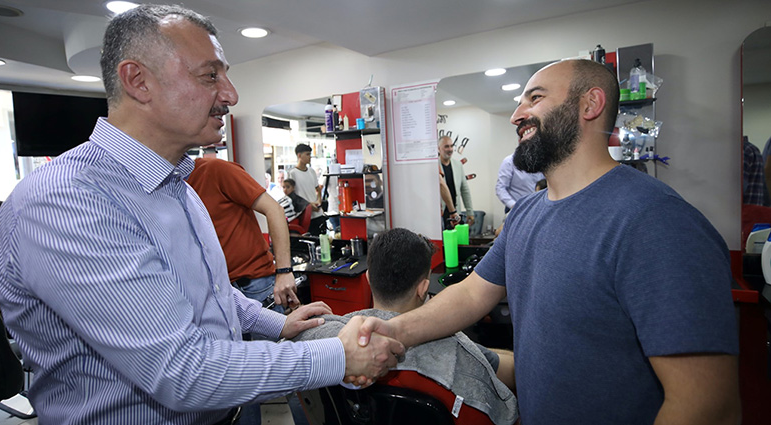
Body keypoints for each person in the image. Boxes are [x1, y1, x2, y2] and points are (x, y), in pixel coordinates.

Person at [0, 5, 403, 424]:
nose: (231, 95)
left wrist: (276, 324)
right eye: (210, 76)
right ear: (138, 81)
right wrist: (338, 356)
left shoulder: (179, 189)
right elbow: (182, 371)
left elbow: (210, 294)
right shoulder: (67, 202)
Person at [356, 59, 740, 424]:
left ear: (590, 104)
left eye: (535, 98)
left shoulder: (656, 220)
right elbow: (472, 294)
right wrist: (393, 331)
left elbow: (707, 407)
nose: (516, 115)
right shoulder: (525, 214)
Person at [293, 228, 518, 424]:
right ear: (423, 288)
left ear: (369, 278)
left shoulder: (328, 341)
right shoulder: (456, 349)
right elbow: (510, 377)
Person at [187, 157, 300, 310]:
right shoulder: (169, 190)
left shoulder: (214, 169)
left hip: (253, 283)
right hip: (213, 289)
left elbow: (274, 209)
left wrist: (284, 271)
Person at [288, 144, 326, 235]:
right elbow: (292, 195)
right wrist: (308, 205)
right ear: (299, 155)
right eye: (307, 154)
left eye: (310, 154)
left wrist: (319, 201)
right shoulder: (293, 173)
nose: (310, 157)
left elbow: (318, 189)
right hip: (306, 215)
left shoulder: (311, 171)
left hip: (319, 214)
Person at [438, 135, 473, 229]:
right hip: (440, 213)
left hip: (455, 213)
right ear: (439, 148)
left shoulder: (458, 165)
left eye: (451, 146)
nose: (450, 149)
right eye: (446, 146)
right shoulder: (434, 165)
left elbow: (465, 190)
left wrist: (470, 211)